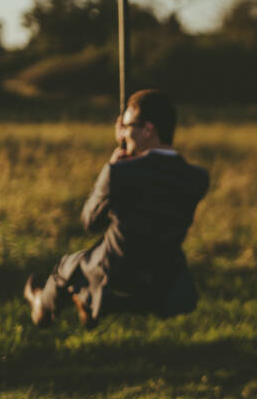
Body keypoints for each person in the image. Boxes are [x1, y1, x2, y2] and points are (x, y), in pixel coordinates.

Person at [24, 89, 209, 327]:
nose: (122, 133)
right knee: (83, 262)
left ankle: (43, 307)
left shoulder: (119, 172)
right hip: (164, 277)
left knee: (66, 267)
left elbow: (90, 223)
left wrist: (111, 170)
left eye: (127, 125)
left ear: (148, 129)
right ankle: (84, 304)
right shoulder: (197, 178)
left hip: (116, 278)